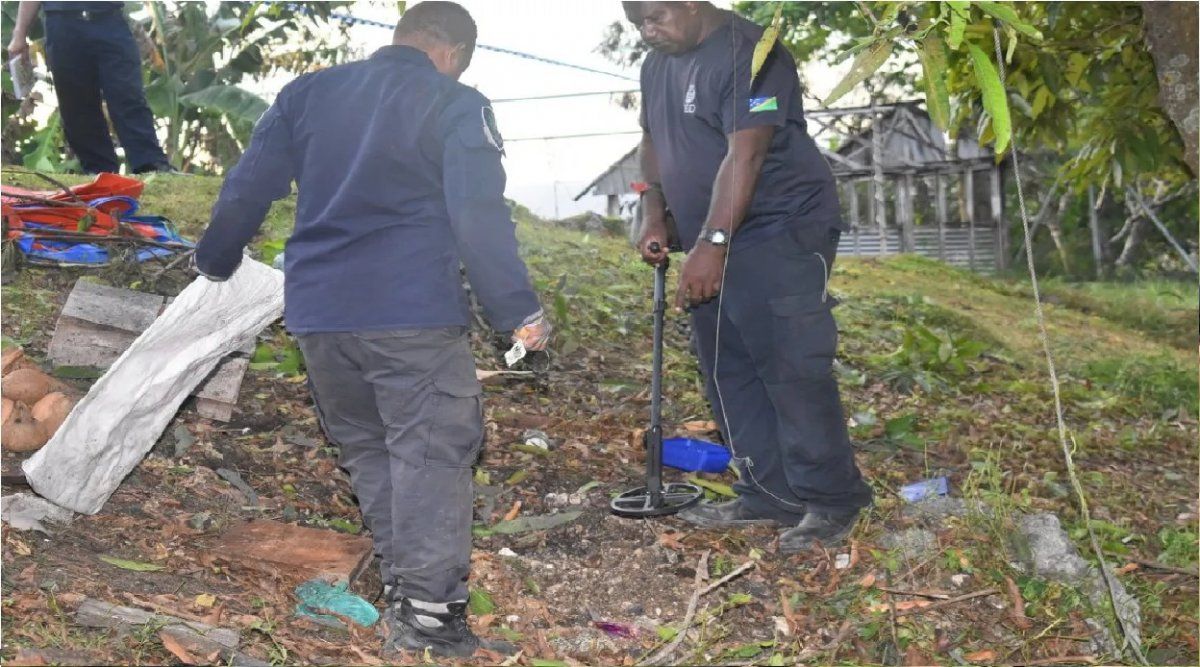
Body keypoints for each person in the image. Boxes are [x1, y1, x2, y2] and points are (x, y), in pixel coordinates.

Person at [193, 2, 550, 658]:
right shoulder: (455, 103)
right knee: (433, 455)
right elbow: (478, 215)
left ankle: (404, 588)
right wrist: (518, 313)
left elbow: (248, 186)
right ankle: (435, 619)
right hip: (409, 310)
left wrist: (215, 256)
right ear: (454, 53)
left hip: (320, 315)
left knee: (371, 450)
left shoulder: (307, 94)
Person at [624, 1, 872, 552]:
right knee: (726, 366)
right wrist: (654, 211)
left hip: (778, 228)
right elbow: (652, 142)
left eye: (657, 16)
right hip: (705, 239)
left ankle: (832, 499)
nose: (648, 31)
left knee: (790, 363)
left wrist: (713, 243)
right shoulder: (656, 64)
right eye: (637, 22)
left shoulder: (753, 53)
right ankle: (767, 493)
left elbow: (748, 153)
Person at [6, 1, 172, 174]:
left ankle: (151, 165)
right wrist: (19, 36)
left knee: (127, 94)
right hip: (62, 24)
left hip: (109, 18)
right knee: (76, 104)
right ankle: (100, 172)